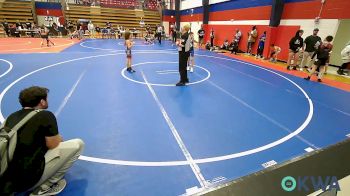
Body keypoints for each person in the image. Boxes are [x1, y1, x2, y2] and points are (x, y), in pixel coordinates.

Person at [0, 86, 84, 195]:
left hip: (4, 177)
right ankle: (44, 187)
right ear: (42, 102)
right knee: (78, 144)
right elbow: (54, 144)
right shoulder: (45, 115)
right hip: (24, 181)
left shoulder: (11, 117)